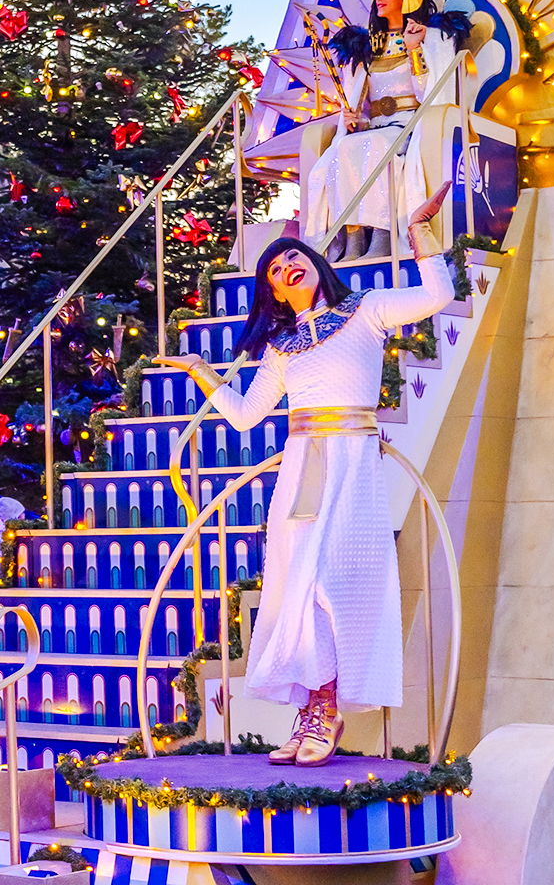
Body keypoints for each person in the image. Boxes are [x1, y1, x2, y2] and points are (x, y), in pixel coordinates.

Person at [156, 181, 454, 767]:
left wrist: (419, 232)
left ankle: (328, 706)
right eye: (275, 268)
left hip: (353, 462)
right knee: (297, 590)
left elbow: (438, 293)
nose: (288, 264)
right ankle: (315, 707)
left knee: (334, 583)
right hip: (300, 471)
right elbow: (245, 418)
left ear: (314, 264)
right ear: (271, 291)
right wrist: (202, 372)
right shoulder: (280, 347)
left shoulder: (366, 308)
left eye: (294, 255)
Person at [303, 0, 469, 259]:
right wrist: (355, 117)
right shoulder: (367, 45)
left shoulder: (431, 37)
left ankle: (381, 237)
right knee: (343, 147)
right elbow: (361, 101)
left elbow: (427, 94)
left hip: (409, 125)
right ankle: (354, 240)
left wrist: (415, 49)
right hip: (375, 127)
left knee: (378, 147)